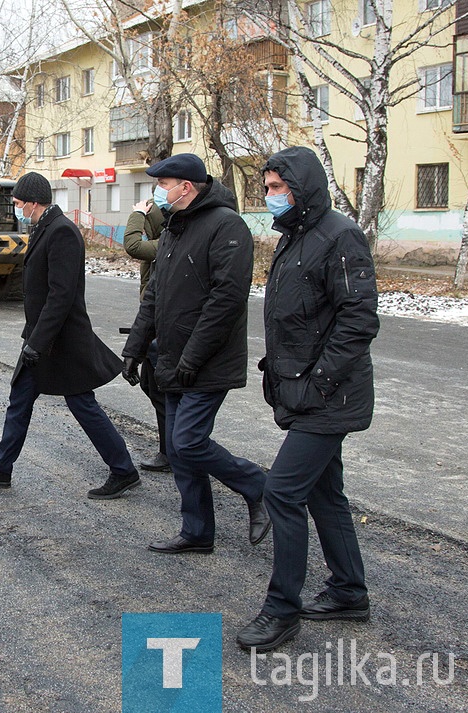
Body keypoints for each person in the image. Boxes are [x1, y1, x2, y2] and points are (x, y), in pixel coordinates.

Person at [237, 146, 379, 652]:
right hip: (306, 389)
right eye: (268, 187)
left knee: (281, 493)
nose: (270, 196)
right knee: (324, 493)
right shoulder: (296, 236)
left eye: (278, 187)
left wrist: (317, 382)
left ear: (303, 186)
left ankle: (282, 610)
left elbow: (358, 320)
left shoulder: (340, 236)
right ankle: (348, 591)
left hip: (329, 396)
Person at [0, 172, 141, 500]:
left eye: (17, 203)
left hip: (61, 339)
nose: (15, 208)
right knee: (20, 398)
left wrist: (37, 342)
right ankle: (1, 466)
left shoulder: (62, 232)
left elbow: (61, 294)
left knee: (82, 403)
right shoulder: (43, 227)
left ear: (33, 201)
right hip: (42, 337)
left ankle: (123, 470)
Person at [122, 153, 269, 553]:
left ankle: (259, 486)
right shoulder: (174, 227)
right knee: (179, 448)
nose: (158, 192)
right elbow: (155, 295)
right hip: (171, 356)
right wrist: (134, 347)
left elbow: (227, 300)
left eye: (163, 185)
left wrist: (191, 358)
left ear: (186, 187)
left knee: (186, 442)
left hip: (206, 360)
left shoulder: (227, 226)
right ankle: (197, 531)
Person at [122, 198, 169, 473]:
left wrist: (137, 213)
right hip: (152, 323)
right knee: (151, 387)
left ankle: (172, 452)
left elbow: (133, 246)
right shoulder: (163, 239)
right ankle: (170, 449)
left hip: (161, 326)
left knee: (160, 390)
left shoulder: (165, 242)